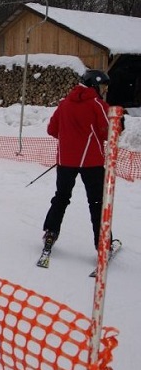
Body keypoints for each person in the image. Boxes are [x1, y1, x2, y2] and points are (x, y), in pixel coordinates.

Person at [42, 69, 120, 254]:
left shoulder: (64, 103)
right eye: (102, 86)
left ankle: (51, 232)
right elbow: (108, 131)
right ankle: (102, 244)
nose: (103, 90)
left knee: (61, 197)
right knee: (96, 203)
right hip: (91, 163)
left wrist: (70, 139)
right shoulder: (97, 104)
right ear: (94, 84)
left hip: (65, 162)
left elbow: (52, 130)